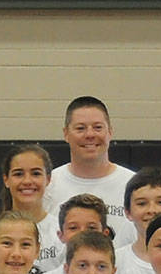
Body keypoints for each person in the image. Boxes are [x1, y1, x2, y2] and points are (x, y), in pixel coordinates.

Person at [44, 95, 137, 246]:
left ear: (110, 132)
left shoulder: (134, 185)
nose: (90, 135)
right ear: (66, 133)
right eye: (80, 128)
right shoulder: (48, 185)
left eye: (98, 127)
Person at [0, 144, 55, 272]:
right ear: (6, 180)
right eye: (18, 174)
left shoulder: (61, 232)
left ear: (48, 179)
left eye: (36, 173)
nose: (27, 181)